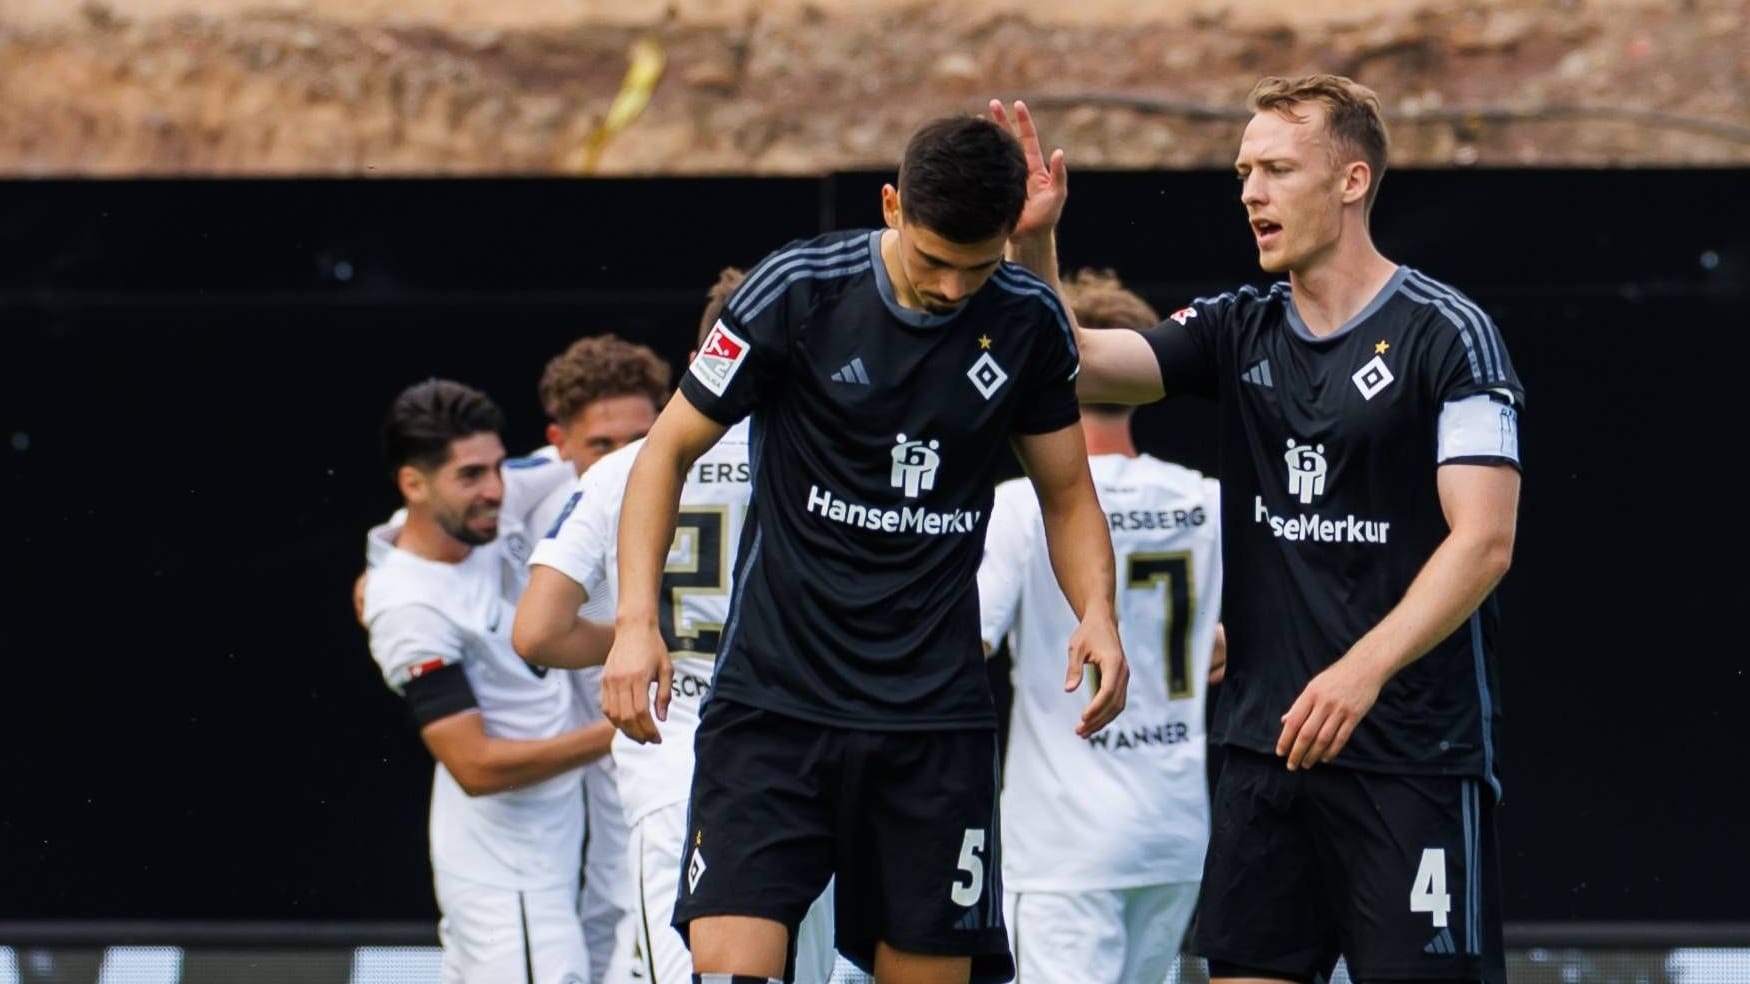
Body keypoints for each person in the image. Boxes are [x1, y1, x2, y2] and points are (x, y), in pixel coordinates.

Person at [993, 74, 1523, 984]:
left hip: (1412, 758)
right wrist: (1035, 239)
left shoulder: (1450, 335)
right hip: (1264, 752)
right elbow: (1077, 366)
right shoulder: (1240, 326)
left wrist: (1360, 671)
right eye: (1244, 171)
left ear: (1352, 182)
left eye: (1276, 169)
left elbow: (1482, 541)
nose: (1250, 192)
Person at [601, 114, 1131, 984]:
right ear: (890, 206)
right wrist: (632, 622)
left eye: (979, 265)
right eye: (933, 261)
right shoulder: (796, 291)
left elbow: (1066, 492)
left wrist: (1098, 613)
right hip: (774, 708)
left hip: (933, 721)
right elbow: (665, 450)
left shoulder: (1028, 318)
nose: (955, 290)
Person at [514, 267, 840, 984]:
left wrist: (657, 632)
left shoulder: (624, 468)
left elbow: (537, 631)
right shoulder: (834, 466)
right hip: (807, 764)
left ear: (702, 363)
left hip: (677, 762)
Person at [977, 268, 1225, 984]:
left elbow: (967, 642)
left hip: (1066, 842)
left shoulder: (1024, 506)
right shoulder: (1203, 500)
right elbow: (1222, 643)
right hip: (1174, 834)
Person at [359, 378, 616, 983]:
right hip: (507, 879)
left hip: (557, 859)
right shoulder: (408, 608)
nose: (496, 492)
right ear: (413, 484)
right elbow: (476, 766)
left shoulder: (491, 500)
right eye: (471, 476)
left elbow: (596, 453)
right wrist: (620, 730)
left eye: (499, 468)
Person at [531, 332, 672, 984]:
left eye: (640, 435)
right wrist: (385, 559)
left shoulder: (686, 466)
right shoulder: (520, 490)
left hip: (648, 729)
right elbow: (429, 511)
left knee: (629, 913)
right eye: (602, 445)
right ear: (558, 443)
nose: (627, 456)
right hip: (552, 741)